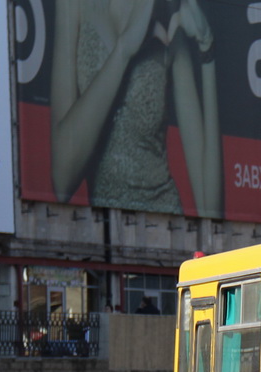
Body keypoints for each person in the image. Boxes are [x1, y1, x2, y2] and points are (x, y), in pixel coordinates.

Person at [50, 0, 222, 217]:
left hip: (163, 230)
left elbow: (210, 205)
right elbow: (61, 182)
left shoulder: (168, 16)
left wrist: (207, 49)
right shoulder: (73, 5)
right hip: (104, 238)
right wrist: (124, 50)